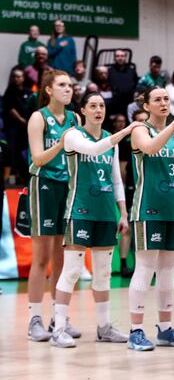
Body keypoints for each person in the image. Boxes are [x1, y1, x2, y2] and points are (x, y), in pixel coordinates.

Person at [49, 92, 140, 347]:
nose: (98, 109)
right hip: (79, 211)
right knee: (73, 270)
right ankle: (59, 327)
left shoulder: (110, 140)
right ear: (83, 110)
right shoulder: (73, 135)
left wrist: (122, 212)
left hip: (104, 213)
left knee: (102, 273)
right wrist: (125, 132)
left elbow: (116, 180)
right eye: (93, 106)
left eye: (101, 105)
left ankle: (104, 327)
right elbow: (93, 148)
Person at [127, 87, 174, 351]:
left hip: (173, 209)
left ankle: (165, 329)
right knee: (145, 268)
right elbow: (152, 148)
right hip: (148, 208)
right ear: (146, 105)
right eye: (158, 100)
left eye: (167, 99)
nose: (164, 103)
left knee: (168, 271)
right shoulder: (140, 130)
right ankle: (135, 331)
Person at [25, 70, 81, 343]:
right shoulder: (39, 118)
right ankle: (34, 318)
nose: (68, 89)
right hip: (44, 185)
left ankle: (59, 318)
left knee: (63, 258)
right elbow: (38, 157)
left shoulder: (74, 118)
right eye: (62, 85)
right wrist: (62, 143)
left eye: (70, 85)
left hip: (68, 186)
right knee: (42, 257)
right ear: (48, 90)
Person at [112, 112, 139, 278]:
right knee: (127, 227)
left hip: (149, 188)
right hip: (131, 187)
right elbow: (122, 167)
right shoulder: (125, 141)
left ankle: (144, 265)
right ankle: (123, 264)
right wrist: (125, 185)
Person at [2, 67, 33, 184]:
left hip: (26, 127)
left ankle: (24, 175)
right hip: (13, 127)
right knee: (13, 151)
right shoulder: (9, 91)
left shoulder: (28, 91)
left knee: (24, 151)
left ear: (23, 78)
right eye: (15, 76)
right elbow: (10, 109)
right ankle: (13, 175)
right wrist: (21, 119)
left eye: (19, 76)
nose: (17, 79)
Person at [107, 49, 138, 116]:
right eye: (117, 56)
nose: (120, 58)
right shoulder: (109, 71)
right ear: (114, 58)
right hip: (114, 104)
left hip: (128, 103)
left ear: (125, 57)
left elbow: (136, 85)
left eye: (122, 56)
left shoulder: (132, 71)